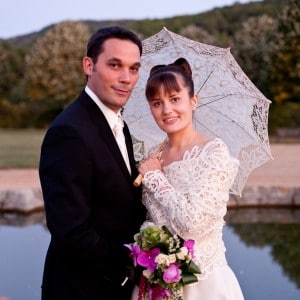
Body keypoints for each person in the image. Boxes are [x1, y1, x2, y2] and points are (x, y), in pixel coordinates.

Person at [39, 26, 146, 300]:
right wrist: (136, 260)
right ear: (89, 65)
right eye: (115, 65)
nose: (127, 78)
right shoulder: (69, 132)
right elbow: (71, 230)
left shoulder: (118, 124)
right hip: (82, 289)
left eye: (134, 69)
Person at [133, 58, 244, 299]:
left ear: (193, 100)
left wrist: (155, 178)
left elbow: (192, 224)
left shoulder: (214, 152)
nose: (167, 110)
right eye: (157, 103)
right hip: (155, 284)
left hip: (203, 284)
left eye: (175, 99)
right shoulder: (153, 155)